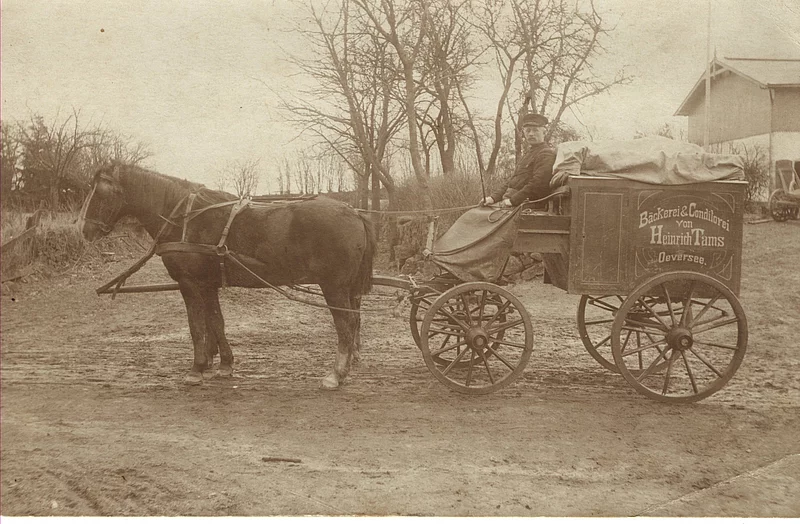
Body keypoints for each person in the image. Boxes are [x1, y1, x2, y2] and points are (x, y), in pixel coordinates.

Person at [481, 112, 557, 208]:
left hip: (529, 204)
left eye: (535, 130)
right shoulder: (528, 154)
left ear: (544, 132)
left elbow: (538, 183)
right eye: (528, 131)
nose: (531, 134)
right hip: (514, 202)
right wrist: (493, 198)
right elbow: (512, 181)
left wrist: (513, 201)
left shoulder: (546, 154)